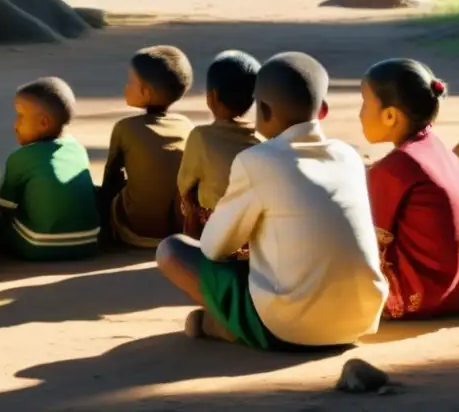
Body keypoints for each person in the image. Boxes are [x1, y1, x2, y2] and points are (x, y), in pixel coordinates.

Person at [156, 52, 386, 350]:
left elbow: (214, 248)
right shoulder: (349, 155)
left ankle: (228, 326)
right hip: (360, 319)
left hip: (288, 326)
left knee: (172, 251)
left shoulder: (256, 161)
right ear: (323, 109)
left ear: (263, 110)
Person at [360, 59, 459, 319]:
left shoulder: (394, 167)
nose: (360, 113)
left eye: (365, 103)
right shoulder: (441, 150)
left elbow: (367, 239)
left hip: (428, 298)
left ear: (390, 116)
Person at [0, 77, 102, 261]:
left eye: (20, 116)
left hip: (40, 244)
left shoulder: (20, 157)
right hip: (89, 241)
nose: (15, 124)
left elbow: (5, 206)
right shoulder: (78, 149)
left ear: (44, 122)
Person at [98, 46, 194, 248]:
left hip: (135, 231)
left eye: (130, 82)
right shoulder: (186, 125)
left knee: (97, 193)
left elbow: (111, 176)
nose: (126, 87)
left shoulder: (125, 127)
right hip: (180, 228)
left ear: (145, 92)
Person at [177, 51, 262, 239]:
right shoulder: (261, 137)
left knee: (189, 199)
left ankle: (194, 251)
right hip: (256, 236)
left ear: (212, 96)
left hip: (220, 238)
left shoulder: (201, 136)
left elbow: (184, 186)